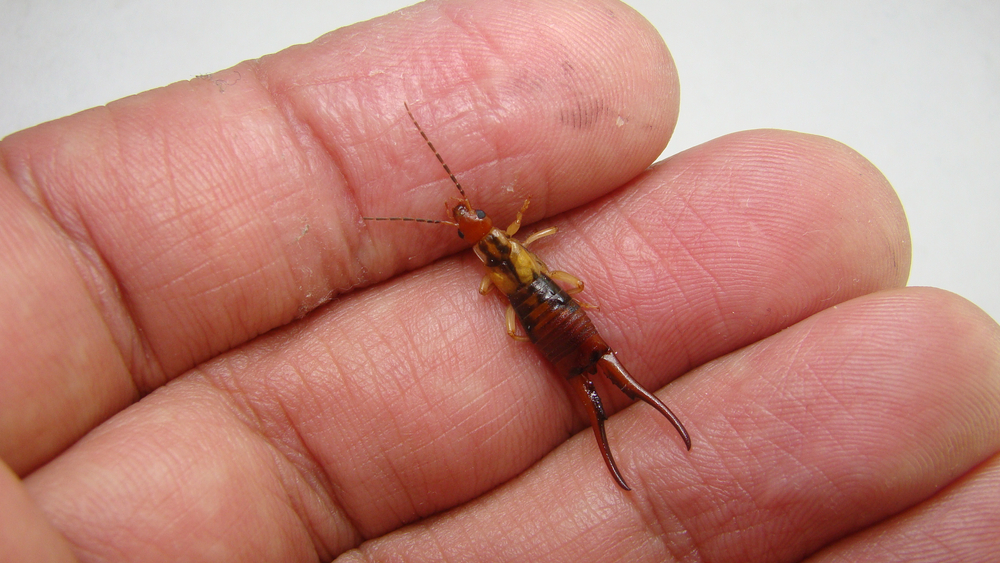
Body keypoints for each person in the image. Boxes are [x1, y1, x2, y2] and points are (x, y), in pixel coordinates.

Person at [2, 1, 997, 561]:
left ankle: (619, 395)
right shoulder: (506, 262)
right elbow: (523, 281)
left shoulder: (504, 263)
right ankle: (617, 397)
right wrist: (537, 299)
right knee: (590, 360)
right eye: (471, 223)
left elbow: (522, 282)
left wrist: (537, 300)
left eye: (468, 219)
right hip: (552, 312)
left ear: (485, 230)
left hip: (552, 314)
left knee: (591, 357)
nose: (470, 225)